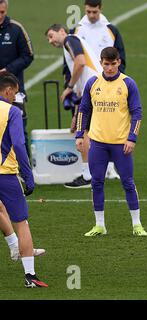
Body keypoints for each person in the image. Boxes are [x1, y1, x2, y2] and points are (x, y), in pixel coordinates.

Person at [75, 47, 147, 237]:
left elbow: (137, 113)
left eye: (113, 64)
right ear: (101, 63)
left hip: (120, 143)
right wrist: (80, 134)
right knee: (96, 183)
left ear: (119, 62)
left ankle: (137, 224)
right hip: (98, 143)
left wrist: (132, 138)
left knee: (128, 183)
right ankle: (100, 225)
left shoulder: (128, 84)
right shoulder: (92, 83)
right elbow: (83, 110)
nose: (109, 68)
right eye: (106, 64)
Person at [68, 0, 127, 180]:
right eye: (88, 12)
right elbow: (70, 61)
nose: (92, 15)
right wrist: (71, 85)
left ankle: (110, 168)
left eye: (95, 12)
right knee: (85, 128)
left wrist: (116, 82)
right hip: (85, 88)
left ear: (100, 9)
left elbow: (121, 57)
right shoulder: (77, 30)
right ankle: (88, 171)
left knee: (109, 126)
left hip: (109, 86)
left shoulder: (111, 29)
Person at [0, 71, 47, 287]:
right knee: (22, 223)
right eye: (15, 93)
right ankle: (30, 276)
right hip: (6, 175)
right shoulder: (12, 112)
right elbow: (19, 145)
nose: (15, 97)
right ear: (8, 90)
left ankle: (12, 246)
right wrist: (28, 176)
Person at [46, 24, 102, 188]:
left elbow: (80, 62)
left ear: (62, 31)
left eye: (51, 35)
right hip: (95, 90)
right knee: (88, 130)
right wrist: (77, 112)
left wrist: (69, 87)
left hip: (93, 90)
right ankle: (98, 171)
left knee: (83, 132)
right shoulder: (73, 43)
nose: (50, 41)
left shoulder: (70, 40)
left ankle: (88, 175)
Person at [0, 0, 34, 157]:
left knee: (19, 131)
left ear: (6, 9)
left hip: (14, 90)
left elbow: (28, 55)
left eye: (2, 12)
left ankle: (24, 170)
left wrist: (8, 70)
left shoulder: (16, 29)